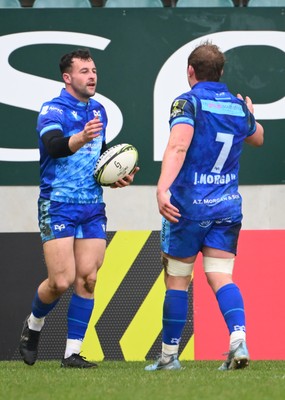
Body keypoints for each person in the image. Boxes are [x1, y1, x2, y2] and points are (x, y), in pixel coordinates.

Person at [145, 41, 264, 371]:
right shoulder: (236, 107)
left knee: (178, 279)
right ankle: (238, 340)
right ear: (221, 72)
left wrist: (162, 188)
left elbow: (179, 145)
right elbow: (258, 137)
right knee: (221, 277)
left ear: (190, 72)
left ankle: (169, 357)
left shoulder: (187, 102)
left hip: (188, 208)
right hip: (226, 207)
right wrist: (250, 115)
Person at [19, 48, 138, 368]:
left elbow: (97, 165)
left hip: (92, 206)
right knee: (60, 280)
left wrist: (115, 179)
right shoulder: (52, 109)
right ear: (67, 78)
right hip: (57, 204)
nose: (92, 75)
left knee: (87, 278)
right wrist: (81, 137)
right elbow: (55, 147)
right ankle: (33, 325)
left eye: (94, 70)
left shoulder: (100, 110)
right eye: (84, 71)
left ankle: (72, 353)